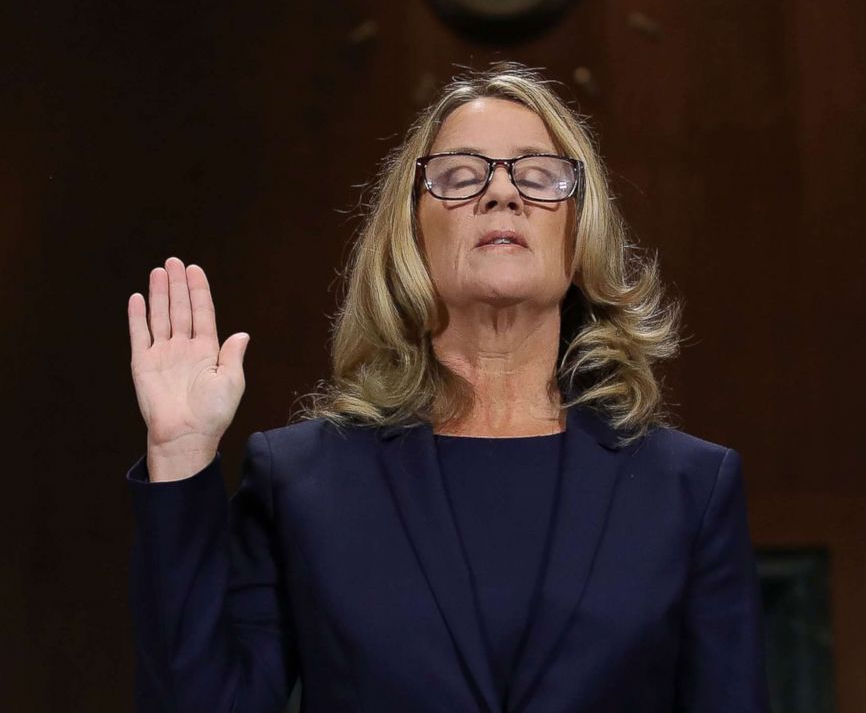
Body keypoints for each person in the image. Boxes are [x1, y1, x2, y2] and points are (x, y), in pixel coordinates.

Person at [125, 62, 770, 712]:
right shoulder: (301, 481)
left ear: (579, 235)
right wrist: (180, 455)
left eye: (539, 176)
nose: (503, 194)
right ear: (411, 233)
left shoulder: (689, 491)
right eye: (462, 177)